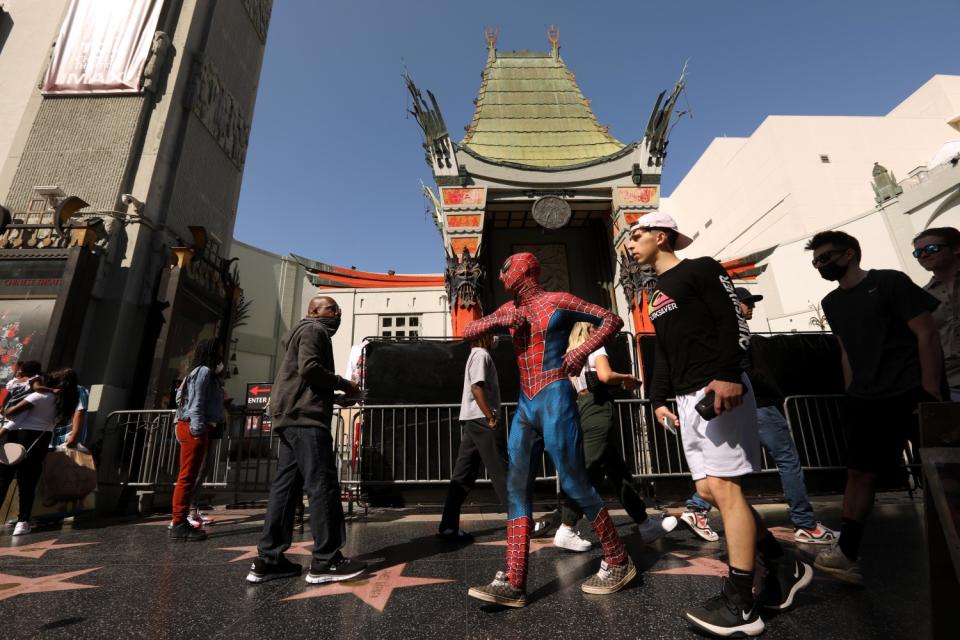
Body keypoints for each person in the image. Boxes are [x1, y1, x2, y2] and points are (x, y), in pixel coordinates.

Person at [628, 212, 812, 637]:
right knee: (709, 490)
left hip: (718, 386)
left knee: (727, 490)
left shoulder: (702, 268)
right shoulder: (657, 293)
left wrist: (729, 373)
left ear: (662, 236)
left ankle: (742, 603)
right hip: (687, 396)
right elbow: (663, 351)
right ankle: (783, 562)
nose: (631, 244)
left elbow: (734, 320)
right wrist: (658, 398)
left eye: (637, 236)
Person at [464, 252, 635, 609]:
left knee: (574, 481)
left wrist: (583, 349)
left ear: (524, 270)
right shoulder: (510, 309)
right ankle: (514, 580)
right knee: (516, 488)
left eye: (506, 269)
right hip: (527, 402)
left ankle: (619, 560)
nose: (501, 275)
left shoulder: (558, 300)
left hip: (555, 393)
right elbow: (468, 330)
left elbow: (612, 318)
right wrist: (499, 320)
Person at [807, 230, 943, 586]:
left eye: (826, 257)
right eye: (816, 260)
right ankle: (846, 552)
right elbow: (846, 351)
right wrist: (852, 391)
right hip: (866, 400)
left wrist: (929, 391)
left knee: (943, 473)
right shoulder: (831, 303)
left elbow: (926, 333)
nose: (821, 265)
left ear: (850, 253)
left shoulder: (890, 283)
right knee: (859, 473)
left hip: (911, 392)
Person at [680, 289, 837, 545]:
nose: (750, 307)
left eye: (752, 303)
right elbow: (745, 371)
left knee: (731, 464)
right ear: (732, 303)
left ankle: (697, 508)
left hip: (740, 405)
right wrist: (771, 388)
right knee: (787, 459)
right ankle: (805, 523)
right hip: (758, 404)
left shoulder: (718, 332)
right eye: (746, 302)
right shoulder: (734, 333)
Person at [246, 296, 367, 584]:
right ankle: (326, 560)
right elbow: (310, 368)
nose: (337, 313)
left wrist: (334, 397)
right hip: (306, 421)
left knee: (285, 489)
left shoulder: (303, 332)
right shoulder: (314, 330)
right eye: (332, 308)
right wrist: (344, 383)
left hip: (290, 417)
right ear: (314, 311)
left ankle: (268, 559)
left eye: (337, 310)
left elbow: (305, 381)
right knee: (322, 484)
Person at [547, 322, 677, 552]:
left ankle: (645, 524)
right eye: (598, 329)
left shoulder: (569, 356)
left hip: (582, 407)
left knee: (618, 472)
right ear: (589, 331)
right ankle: (566, 527)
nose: (602, 333)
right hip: (598, 407)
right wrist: (627, 377)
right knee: (588, 469)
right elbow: (606, 376)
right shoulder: (595, 348)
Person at [437, 334, 509, 541]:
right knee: (501, 471)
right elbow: (476, 387)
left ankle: (448, 526)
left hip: (472, 420)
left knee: (463, 475)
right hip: (482, 420)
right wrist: (490, 416)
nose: (495, 337)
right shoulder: (481, 355)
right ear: (483, 337)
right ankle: (522, 523)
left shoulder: (475, 354)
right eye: (492, 333)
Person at [0, 371, 75, 535]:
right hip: (40, 440)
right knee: (28, 482)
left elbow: (10, 413)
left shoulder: (39, 396)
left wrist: (5, 409)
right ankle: (23, 521)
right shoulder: (64, 402)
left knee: (3, 478)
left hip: (18, 437)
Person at [169, 338, 225, 542]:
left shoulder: (198, 372)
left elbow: (180, 399)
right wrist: (198, 428)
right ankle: (178, 522)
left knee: (188, 475)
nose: (221, 354)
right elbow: (197, 403)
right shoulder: (203, 372)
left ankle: (179, 520)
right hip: (195, 428)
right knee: (187, 477)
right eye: (219, 350)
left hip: (193, 426)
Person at [913, 226, 960, 400]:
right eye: (918, 253)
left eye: (931, 249)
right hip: (951, 382)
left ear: (956, 248)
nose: (924, 255)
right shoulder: (921, 297)